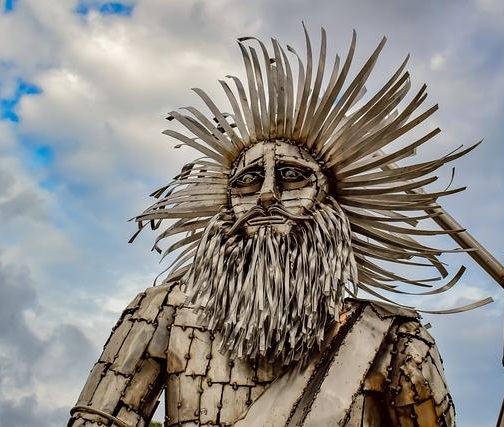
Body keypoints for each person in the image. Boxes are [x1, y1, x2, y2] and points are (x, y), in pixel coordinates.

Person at [68, 27, 475, 427]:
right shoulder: (162, 313)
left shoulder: (391, 341)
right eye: (245, 182)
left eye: (291, 177)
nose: (265, 196)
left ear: (327, 203)